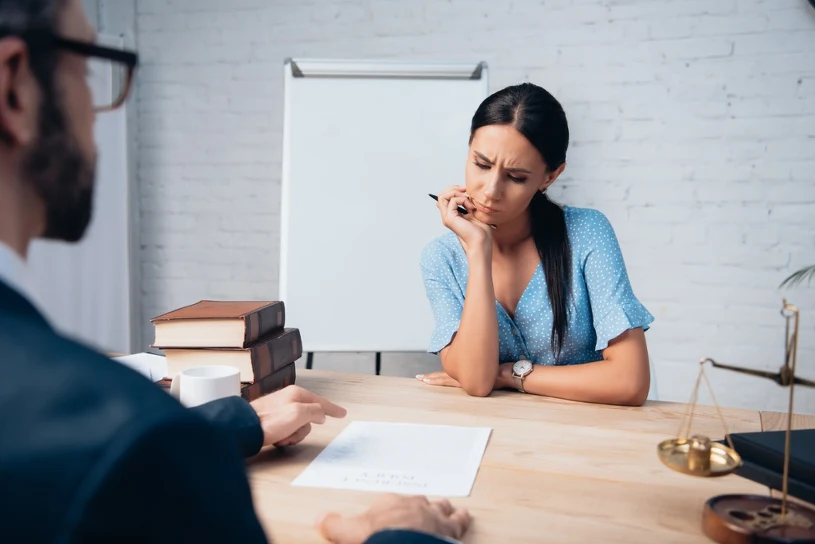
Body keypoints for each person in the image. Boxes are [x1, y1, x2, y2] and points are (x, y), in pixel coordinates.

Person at [0, 1, 470, 543]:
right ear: (16, 88)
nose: (97, 108)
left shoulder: (112, 436)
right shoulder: (130, 442)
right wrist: (396, 535)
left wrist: (225, 426)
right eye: (86, 69)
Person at [418, 83, 654, 406]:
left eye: (516, 177)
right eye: (481, 164)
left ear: (549, 177)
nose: (490, 191)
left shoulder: (587, 233)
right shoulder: (440, 258)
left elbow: (630, 382)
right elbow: (476, 381)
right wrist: (479, 251)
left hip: (589, 438)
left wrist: (508, 375)